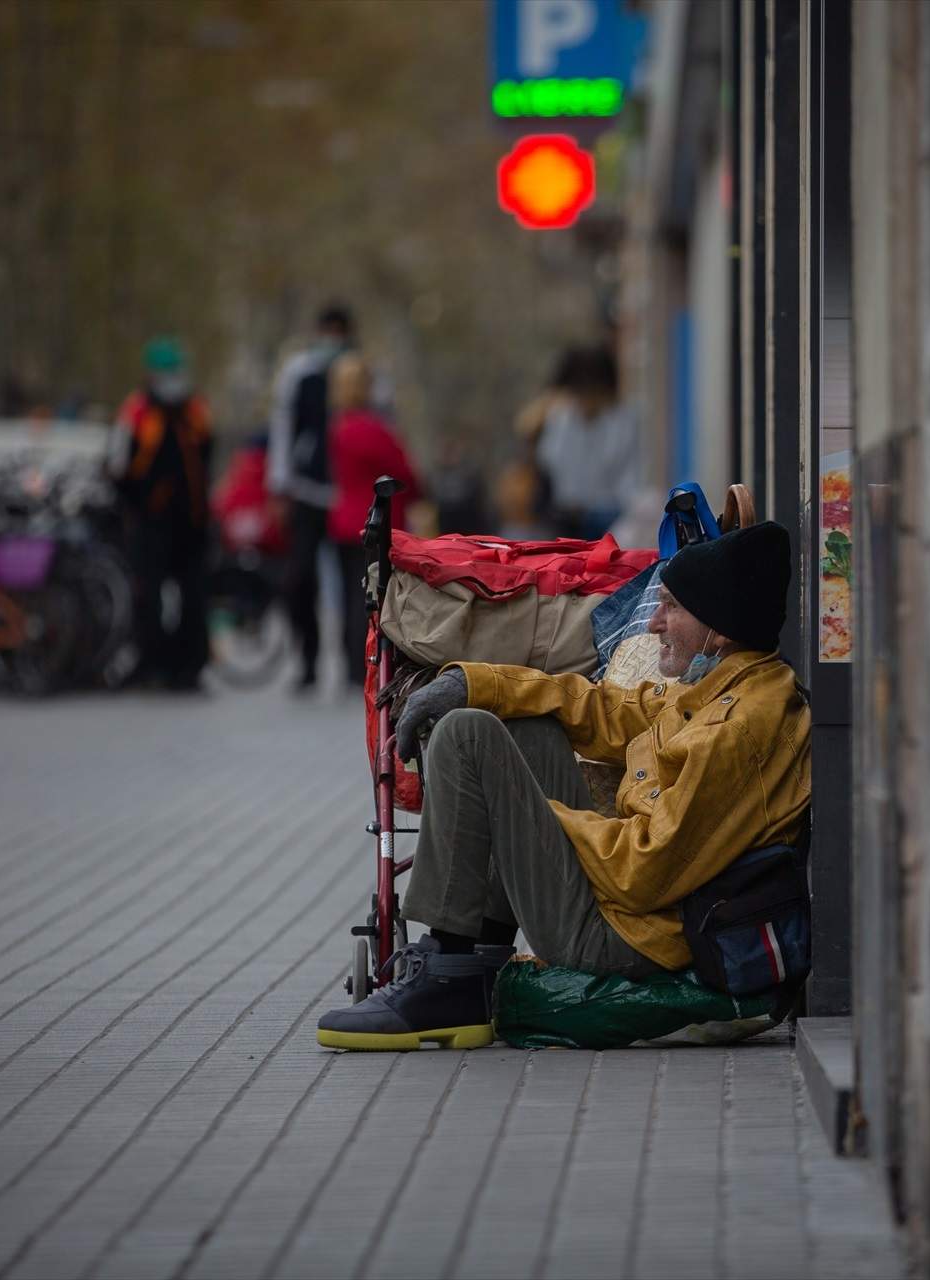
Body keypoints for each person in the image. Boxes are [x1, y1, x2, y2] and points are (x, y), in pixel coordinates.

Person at [317, 521, 809, 1050]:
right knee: (523, 725)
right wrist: (474, 682)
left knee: (466, 735)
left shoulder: (736, 732)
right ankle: (477, 957)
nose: (656, 625)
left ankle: (447, 973)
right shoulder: (729, 684)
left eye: (672, 608)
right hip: (631, 905)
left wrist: (528, 817)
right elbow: (607, 709)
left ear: (719, 627)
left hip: (630, 937)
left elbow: (644, 872)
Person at [111, 336, 212, 691]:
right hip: (150, 524)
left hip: (191, 525)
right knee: (148, 597)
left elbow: (206, 456)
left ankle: (189, 665)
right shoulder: (137, 412)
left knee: (194, 598)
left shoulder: (194, 410)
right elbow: (119, 466)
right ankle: (153, 662)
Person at [268, 303, 354, 693]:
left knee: (357, 583)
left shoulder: (364, 373)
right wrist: (279, 484)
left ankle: (356, 665)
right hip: (305, 491)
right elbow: (283, 428)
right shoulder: (298, 373)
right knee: (299, 579)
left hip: (349, 495)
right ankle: (308, 661)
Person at [326, 354, 418, 689]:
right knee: (373, 598)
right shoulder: (374, 429)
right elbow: (404, 471)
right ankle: (367, 663)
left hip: (342, 520)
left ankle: (349, 664)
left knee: (348, 596)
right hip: (374, 522)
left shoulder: (336, 428)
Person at [527, 344, 639, 540]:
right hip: (566, 517)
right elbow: (548, 459)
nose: (586, 399)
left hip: (610, 518)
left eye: (592, 391)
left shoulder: (623, 422)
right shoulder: (560, 418)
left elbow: (628, 476)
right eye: (579, 391)